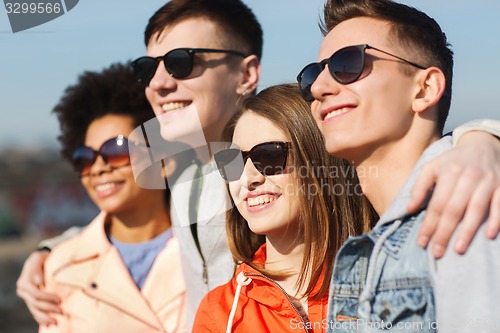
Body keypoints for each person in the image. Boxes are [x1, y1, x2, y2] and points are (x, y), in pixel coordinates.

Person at [16, 0, 500, 330]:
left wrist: (481, 139)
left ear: (248, 73)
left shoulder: (460, 200)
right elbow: (125, 224)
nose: (160, 81)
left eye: (182, 62)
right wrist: (49, 249)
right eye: (149, 68)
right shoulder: (181, 175)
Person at [296, 0, 500, 331]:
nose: (318, 88)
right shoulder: (375, 240)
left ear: (425, 89)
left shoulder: (468, 209)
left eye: (348, 62)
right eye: (311, 75)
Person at [194, 83, 375, 332]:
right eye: (232, 162)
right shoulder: (220, 314)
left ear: (321, 163)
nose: (248, 178)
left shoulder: (387, 282)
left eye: (269, 156)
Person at [38, 63, 186, 332]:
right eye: (84, 158)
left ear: (165, 161)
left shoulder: (210, 252)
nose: (98, 168)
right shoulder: (61, 265)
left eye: (116, 149)